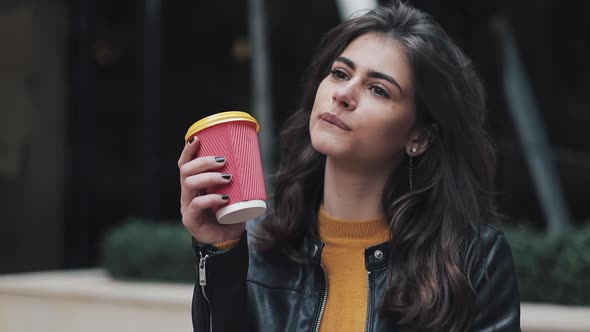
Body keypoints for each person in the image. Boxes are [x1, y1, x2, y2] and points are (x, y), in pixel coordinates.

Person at [178, 2, 520, 331]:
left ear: (418, 136)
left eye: (378, 89)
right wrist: (220, 250)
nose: (343, 94)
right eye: (340, 73)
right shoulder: (258, 243)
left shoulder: (473, 260)